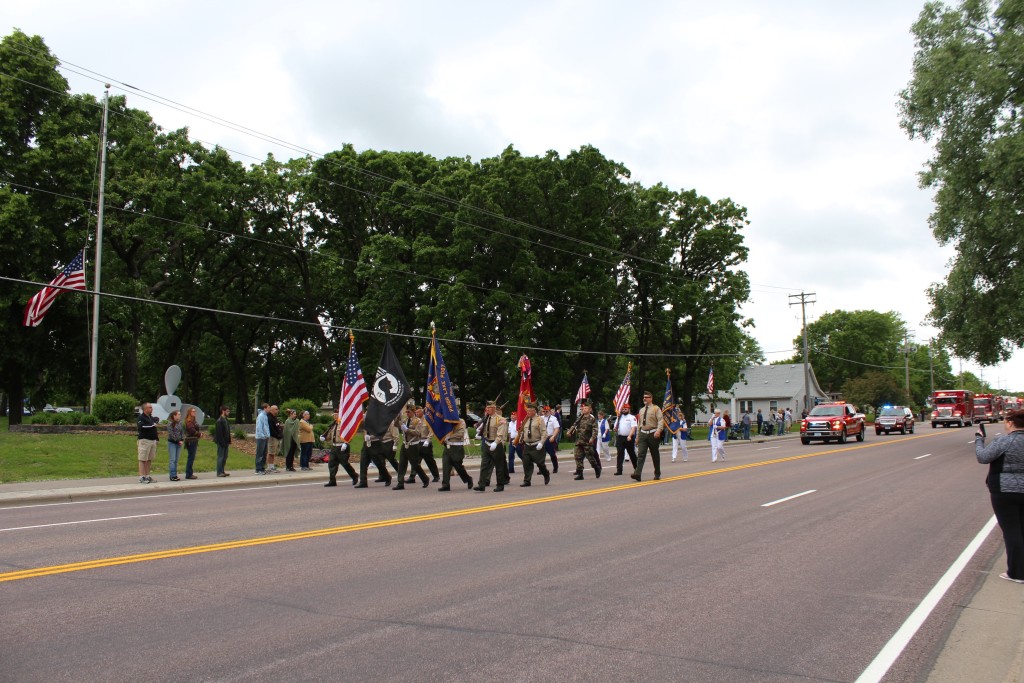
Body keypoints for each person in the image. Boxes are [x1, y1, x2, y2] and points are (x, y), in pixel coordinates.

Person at [976, 410, 1024, 583]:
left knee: (1011, 530)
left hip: (1004, 490)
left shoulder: (1005, 441)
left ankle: (1017, 572)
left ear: (1011, 423)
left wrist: (979, 440)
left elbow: (983, 457)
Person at [475, 401, 509, 492]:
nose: (487, 409)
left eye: (489, 408)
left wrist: (496, 442)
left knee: (499, 466)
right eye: (487, 407)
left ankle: (500, 485)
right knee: (484, 465)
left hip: (496, 445)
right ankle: (481, 484)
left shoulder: (501, 419)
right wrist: (480, 434)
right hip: (487, 444)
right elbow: (485, 430)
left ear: (494, 408)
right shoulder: (486, 418)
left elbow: (501, 434)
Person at [394, 404, 429, 490]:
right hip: (405, 444)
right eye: (406, 412)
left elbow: (417, 433)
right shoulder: (405, 420)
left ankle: (425, 479)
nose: (407, 413)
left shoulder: (418, 421)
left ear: (413, 411)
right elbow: (396, 425)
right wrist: (397, 417)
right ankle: (400, 483)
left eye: (408, 412)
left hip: (413, 445)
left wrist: (407, 430)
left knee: (415, 465)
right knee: (402, 464)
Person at [633, 391, 663, 481]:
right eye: (644, 397)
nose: (644, 399)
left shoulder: (656, 408)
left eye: (646, 397)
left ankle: (657, 473)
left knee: (655, 454)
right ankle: (637, 474)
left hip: (652, 434)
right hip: (643, 434)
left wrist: (658, 430)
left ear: (651, 398)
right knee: (640, 454)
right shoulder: (641, 410)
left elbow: (661, 420)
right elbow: (639, 424)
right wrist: (637, 437)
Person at [518, 403, 550, 487]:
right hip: (527, 445)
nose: (528, 412)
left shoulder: (539, 420)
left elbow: (544, 433)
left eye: (530, 411)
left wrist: (541, 443)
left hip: (537, 445)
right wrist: (520, 439)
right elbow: (523, 431)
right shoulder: (526, 420)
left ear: (534, 411)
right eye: (527, 410)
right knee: (526, 463)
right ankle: (527, 480)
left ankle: (546, 474)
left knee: (540, 463)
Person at [567, 400, 601, 480]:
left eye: (586, 408)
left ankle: (596, 468)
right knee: (577, 457)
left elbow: (595, 430)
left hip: (587, 442)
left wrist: (592, 438)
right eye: (583, 408)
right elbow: (574, 425)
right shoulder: (580, 418)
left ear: (590, 409)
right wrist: (569, 432)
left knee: (590, 458)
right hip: (579, 441)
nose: (584, 409)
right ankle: (580, 474)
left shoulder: (591, 419)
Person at [438, 417, 473, 491]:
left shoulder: (461, 421)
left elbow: (460, 434)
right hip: (448, 447)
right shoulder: (446, 421)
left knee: (458, 466)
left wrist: (449, 436)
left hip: (457, 447)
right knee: (446, 465)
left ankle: (468, 479)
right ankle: (446, 485)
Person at [323, 418, 359, 487]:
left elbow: (350, 434)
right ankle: (332, 480)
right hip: (334, 447)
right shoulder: (333, 424)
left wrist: (346, 443)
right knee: (331, 463)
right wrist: (324, 437)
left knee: (344, 463)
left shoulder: (344, 424)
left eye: (336, 414)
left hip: (342, 446)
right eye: (334, 414)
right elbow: (330, 436)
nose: (335, 416)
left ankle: (354, 476)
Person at [414, 406, 440, 482]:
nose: (416, 413)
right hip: (418, 442)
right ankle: (412, 477)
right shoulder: (416, 421)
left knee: (429, 461)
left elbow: (431, 430)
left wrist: (428, 440)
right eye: (416, 412)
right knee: (415, 461)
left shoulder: (427, 419)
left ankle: (436, 476)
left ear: (422, 412)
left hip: (425, 442)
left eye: (418, 412)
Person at [137, 402, 160, 484]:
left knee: (149, 459)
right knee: (142, 458)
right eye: (150, 407)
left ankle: (147, 475)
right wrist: (152, 425)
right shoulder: (141, 417)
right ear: (145, 409)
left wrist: (156, 439)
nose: (151, 409)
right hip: (144, 440)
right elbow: (142, 427)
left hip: (152, 440)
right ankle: (141, 476)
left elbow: (155, 423)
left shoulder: (150, 417)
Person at [614, 404, 638, 475]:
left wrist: (630, 435)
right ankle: (619, 470)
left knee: (632, 454)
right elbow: (615, 427)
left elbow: (634, 427)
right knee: (620, 454)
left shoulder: (632, 417)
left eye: (625, 409)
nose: (624, 410)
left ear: (628, 409)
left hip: (628, 438)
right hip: (620, 437)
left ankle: (637, 468)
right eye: (623, 409)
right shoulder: (619, 418)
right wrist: (615, 429)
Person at [183, 407, 201, 479]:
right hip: (191, 440)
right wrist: (199, 434)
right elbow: (192, 430)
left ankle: (190, 473)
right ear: (189, 412)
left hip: (194, 440)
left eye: (195, 411)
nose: (194, 412)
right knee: (191, 457)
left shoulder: (194, 420)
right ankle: (188, 474)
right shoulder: (189, 421)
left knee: (192, 457)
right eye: (193, 411)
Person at [166, 409, 184, 482]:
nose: (180, 416)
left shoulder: (180, 423)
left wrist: (182, 439)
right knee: (172, 460)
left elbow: (182, 432)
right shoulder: (170, 424)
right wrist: (177, 440)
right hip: (172, 443)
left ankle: (175, 474)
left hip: (179, 443)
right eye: (178, 414)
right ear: (174, 416)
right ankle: (172, 475)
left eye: (180, 414)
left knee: (176, 460)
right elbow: (171, 434)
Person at [542, 405, 561, 473]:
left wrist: (553, 436)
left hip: (549, 437)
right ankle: (542, 469)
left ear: (549, 411)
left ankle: (555, 467)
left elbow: (557, 428)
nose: (545, 412)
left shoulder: (553, 419)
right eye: (544, 411)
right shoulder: (541, 418)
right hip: (542, 438)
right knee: (541, 455)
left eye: (546, 411)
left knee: (552, 454)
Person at [213, 405, 231, 477]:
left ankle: (222, 470)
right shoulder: (219, 421)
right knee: (220, 456)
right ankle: (219, 472)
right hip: (221, 442)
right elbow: (219, 434)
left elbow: (227, 431)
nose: (228, 412)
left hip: (226, 442)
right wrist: (222, 443)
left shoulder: (225, 420)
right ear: (223, 411)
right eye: (227, 411)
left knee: (225, 456)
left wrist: (228, 441)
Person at [254, 403, 270, 475]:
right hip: (261, 438)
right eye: (268, 407)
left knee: (264, 453)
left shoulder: (265, 416)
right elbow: (259, 427)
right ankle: (258, 469)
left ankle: (262, 467)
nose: (269, 409)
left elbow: (266, 427)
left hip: (265, 437)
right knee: (260, 453)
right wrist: (263, 435)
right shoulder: (261, 416)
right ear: (265, 408)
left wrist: (267, 435)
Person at [266, 405, 282, 473]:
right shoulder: (269, 418)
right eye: (276, 409)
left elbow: (278, 426)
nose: (277, 410)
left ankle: (272, 466)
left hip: (277, 438)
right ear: (271, 410)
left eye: (277, 409)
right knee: (271, 452)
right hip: (272, 438)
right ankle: (269, 467)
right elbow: (271, 429)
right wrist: (277, 435)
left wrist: (280, 433)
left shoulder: (275, 418)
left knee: (273, 453)